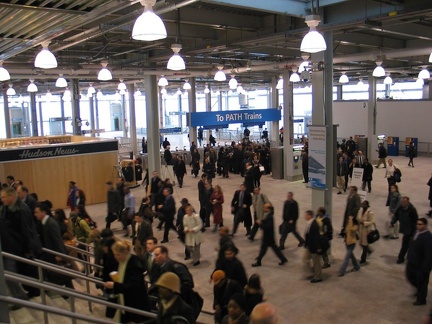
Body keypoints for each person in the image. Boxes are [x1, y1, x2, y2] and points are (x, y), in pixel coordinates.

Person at [103, 240, 150, 323]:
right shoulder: (123, 262)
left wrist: (115, 285)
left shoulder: (134, 265)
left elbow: (134, 286)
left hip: (135, 304)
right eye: (114, 254)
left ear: (125, 253)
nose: (116, 257)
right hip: (127, 302)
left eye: (118, 255)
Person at [406, 218, 432, 306]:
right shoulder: (416, 232)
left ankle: (421, 299)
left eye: (420, 224)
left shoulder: (428, 237)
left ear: (425, 225)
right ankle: (419, 290)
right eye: (417, 224)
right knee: (410, 276)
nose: (418, 226)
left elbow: (428, 254)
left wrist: (425, 267)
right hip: (412, 261)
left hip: (421, 265)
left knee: (422, 282)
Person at [391, 196, 419, 264]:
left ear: (407, 202)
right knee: (405, 245)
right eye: (402, 202)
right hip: (405, 230)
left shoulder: (412, 209)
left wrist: (415, 230)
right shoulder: (400, 208)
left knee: (409, 246)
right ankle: (402, 258)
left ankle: (405, 258)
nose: (402, 203)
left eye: (404, 202)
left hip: (411, 230)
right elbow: (396, 216)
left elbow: (416, 220)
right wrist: (392, 223)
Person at [303, 210, 323, 283]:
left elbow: (316, 237)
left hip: (314, 247)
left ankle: (318, 277)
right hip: (309, 246)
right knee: (305, 259)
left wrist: (318, 248)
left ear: (309, 216)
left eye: (306, 215)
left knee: (316, 263)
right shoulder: (309, 223)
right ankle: (311, 272)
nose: (305, 216)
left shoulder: (314, 224)